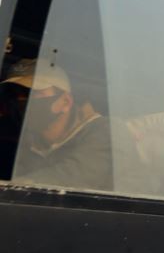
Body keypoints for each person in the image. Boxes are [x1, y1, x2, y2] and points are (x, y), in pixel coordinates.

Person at [3, 59, 113, 192]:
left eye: (32, 94)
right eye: (14, 94)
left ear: (65, 102)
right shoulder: (25, 140)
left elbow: (72, 178)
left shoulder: (107, 131)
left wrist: (9, 188)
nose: (21, 101)